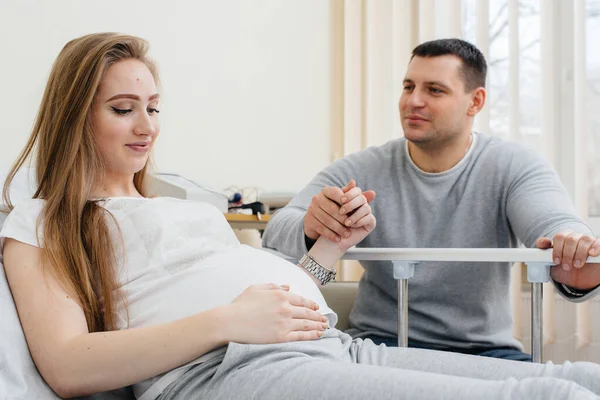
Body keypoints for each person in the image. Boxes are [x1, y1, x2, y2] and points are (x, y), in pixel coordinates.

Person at [1, 33, 600, 400]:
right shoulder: (45, 221)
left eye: (153, 107)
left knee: (577, 379)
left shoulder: (171, 205)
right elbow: (67, 366)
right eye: (123, 108)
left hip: (328, 346)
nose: (147, 126)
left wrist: (329, 253)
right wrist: (227, 320)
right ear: (76, 114)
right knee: (541, 395)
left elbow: (279, 301)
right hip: (224, 372)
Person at [262, 38, 600, 362]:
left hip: (484, 352)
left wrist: (573, 248)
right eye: (408, 87)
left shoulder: (514, 165)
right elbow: (278, 228)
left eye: (434, 90)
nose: (413, 101)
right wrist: (310, 224)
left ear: (476, 101)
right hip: (379, 347)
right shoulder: (362, 168)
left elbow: (556, 224)